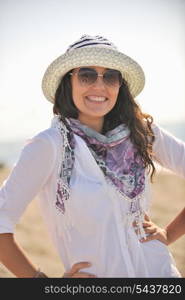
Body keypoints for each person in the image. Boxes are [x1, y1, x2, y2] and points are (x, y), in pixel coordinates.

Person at [0, 35, 185, 278]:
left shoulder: (143, 132)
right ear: (68, 82)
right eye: (86, 75)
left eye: (110, 76)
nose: (99, 86)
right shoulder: (49, 145)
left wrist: (169, 235)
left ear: (120, 85)